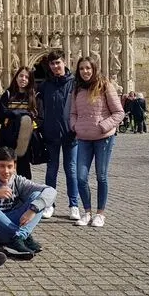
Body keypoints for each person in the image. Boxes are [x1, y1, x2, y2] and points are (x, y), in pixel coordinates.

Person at [69, 57, 124, 227]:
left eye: (88, 68)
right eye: (81, 69)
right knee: (81, 177)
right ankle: (87, 212)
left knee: (101, 175)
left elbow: (119, 112)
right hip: (84, 138)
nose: (85, 71)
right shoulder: (76, 88)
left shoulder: (104, 85)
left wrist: (103, 126)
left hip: (103, 138)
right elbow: (73, 113)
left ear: (94, 69)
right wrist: (75, 126)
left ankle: (100, 214)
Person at [37, 49, 80, 220]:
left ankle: (74, 205)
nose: (56, 66)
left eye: (58, 63)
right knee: (51, 170)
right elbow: (40, 109)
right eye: (52, 64)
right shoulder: (45, 85)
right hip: (51, 134)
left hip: (70, 134)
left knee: (71, 170)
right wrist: (41, 127)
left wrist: (77, 128)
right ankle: (49, 204)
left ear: (64, 62)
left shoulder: (74, 84)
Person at [0, 67, 40, 178]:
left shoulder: (33, 96)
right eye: (21, 76)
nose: (23, 79)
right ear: (16, 77)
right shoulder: (7, 94)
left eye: (27, 77)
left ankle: (23, 192)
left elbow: (39, 117)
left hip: (25, 139)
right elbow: (1, 115)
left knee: (24, 170)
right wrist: (20, 114)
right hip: (8, 137)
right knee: (5, 168)